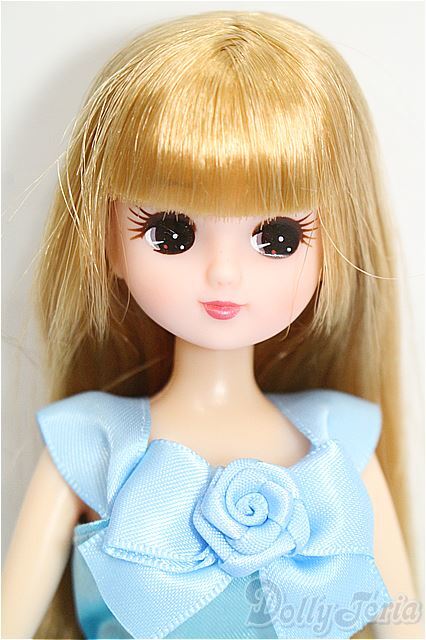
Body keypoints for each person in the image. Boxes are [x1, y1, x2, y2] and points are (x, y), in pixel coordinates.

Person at [2, 10, 422, 639]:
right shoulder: (92, 444)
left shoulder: (336, 446)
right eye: (172, 233)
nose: (224, 274)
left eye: (277, 239)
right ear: (108, 241)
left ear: (334, 247)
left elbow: (403, 621)